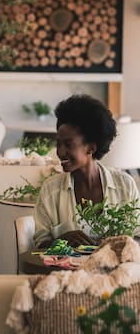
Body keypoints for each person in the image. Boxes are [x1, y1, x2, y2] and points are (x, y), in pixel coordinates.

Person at [33, 94, 140, 248]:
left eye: (68, 145)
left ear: (91, 147)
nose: (60, 152)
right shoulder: (51, 190)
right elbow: (39, 244)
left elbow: (137, 236)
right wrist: (61, 242)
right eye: (58, 144)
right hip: (66, 272)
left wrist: (118, 244)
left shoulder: (124, 185)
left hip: (115, 270)